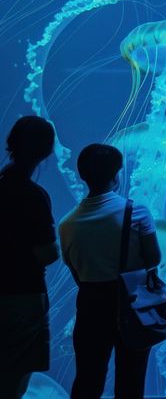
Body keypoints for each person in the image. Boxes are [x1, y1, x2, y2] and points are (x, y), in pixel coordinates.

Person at [59, 143, 162, 399]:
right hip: (132, 302)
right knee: (131, 380)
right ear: (117, 175)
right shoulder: (136, 212)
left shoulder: (66, 224)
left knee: (88, 379)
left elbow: (75, 269)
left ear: (83, 175)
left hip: (90, 305)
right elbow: (154, 258)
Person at [0, 116, 58, 399]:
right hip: (22, 295)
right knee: (15, 371)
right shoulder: (34, 197)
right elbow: (47, 253)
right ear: (47, 151)